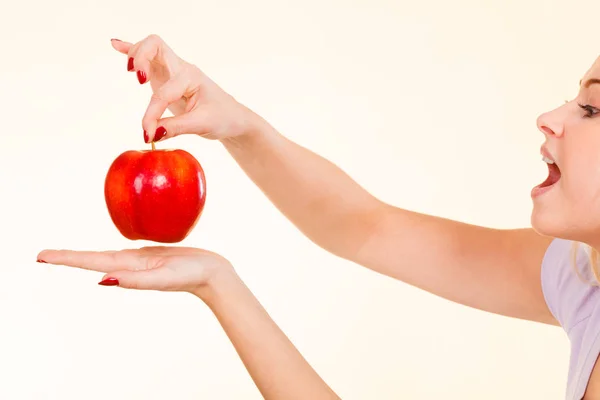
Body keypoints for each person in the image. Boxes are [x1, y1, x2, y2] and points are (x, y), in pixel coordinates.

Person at [36, 34, 600, 400]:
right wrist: (241, 128)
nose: (549, 117)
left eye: (592, 108)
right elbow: (368, 228)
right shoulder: (583, 278)